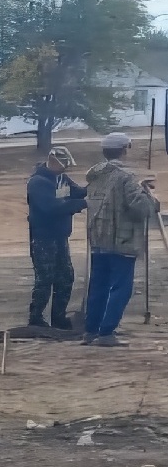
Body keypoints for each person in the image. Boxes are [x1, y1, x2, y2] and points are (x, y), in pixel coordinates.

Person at [84, 132, 160, 346]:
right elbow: (141, 208)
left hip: (99, 240)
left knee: (98, 286)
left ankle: (91, 330)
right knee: (120, 288)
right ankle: (106, 333)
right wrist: (150, 197)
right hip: (122, 241)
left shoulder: (95, 176)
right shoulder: (126, 176)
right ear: (124, 149)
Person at [27, 146, 87, 330]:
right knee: (45, 279)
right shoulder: (38, 183)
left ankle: (58, 318)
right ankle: (36, 318)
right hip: (43, 238)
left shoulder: (62, 179)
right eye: (63, 164)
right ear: (52, 161)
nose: (65, 168)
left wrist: (96, 187)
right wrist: (81, 204)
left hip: (61, 237)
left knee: (65, 278)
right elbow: (51, 208)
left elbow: (78, 192)